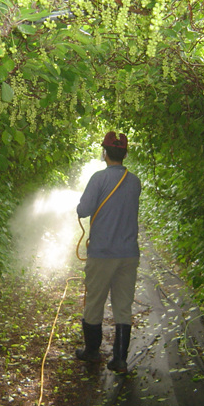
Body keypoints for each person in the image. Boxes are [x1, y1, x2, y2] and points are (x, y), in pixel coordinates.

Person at [75, 131, 141, 373]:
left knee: (94, 303)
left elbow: (84, 210)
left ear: (105, 153)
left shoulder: (98, 179)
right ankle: (120, 360)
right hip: (129, 254)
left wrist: (80, 207)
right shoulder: (134, 181)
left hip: (102, 253)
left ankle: (92, 352)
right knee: (123, 306)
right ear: (124, 154)